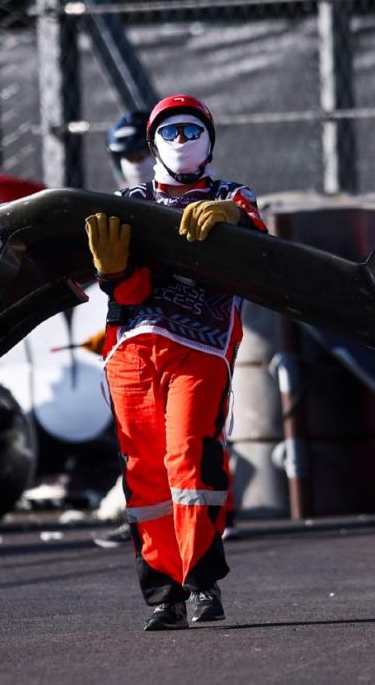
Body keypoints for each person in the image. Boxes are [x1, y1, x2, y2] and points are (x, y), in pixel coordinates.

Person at [85, 95, 267, 630]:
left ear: (210, 141)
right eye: (171, 132)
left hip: (201, 349)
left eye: (192, 130)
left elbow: (263, 258)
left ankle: (201, 581)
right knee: (143, 473)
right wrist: (112, 273)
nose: (182, 140)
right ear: (153, 143)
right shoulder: (130, 202)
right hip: (131, 352)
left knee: (189, 457)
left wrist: (236, 220)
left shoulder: (233, 195)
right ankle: (164, 595)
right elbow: (130, 293)